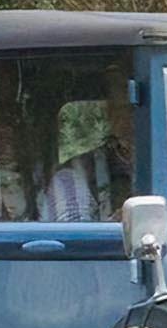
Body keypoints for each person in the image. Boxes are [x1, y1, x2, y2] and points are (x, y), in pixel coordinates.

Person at [37, 76, 135, 222]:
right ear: (111, 116)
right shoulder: (75, 174)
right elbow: (72, 237)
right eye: (124, 109)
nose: (131, 119)